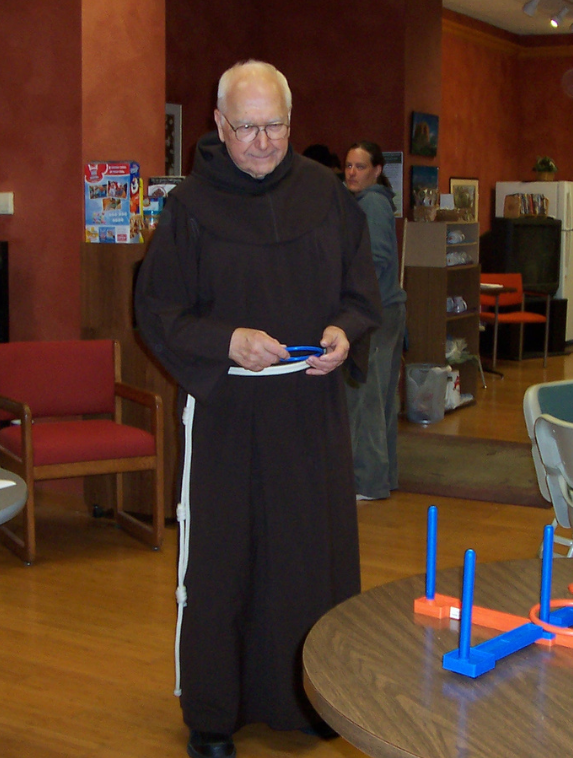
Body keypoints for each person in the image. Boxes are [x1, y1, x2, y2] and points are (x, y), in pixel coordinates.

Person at [133, 60, 381, 758]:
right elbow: (156, 313)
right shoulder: (188, 209)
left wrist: (344, 332)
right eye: (248, 127)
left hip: (310, 412)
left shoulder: (327, 196)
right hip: (227, 415)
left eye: (276, 126)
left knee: (308, 559)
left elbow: (361, 294)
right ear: (218, 125)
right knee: (223, 566)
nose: (264, 142)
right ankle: (214, 716)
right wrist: (228, 341)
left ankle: (310, 702)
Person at [343, 141, 405, 501]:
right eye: (348, 166)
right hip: (388, 310)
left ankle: (368, 483)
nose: (352, 172)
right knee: (381, 400)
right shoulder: (370, 203)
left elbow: (377, 256)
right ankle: (385, 477)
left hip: (376, 314)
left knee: (366, 398)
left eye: (360, 167)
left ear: (377, 171)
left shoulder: (372, 205)